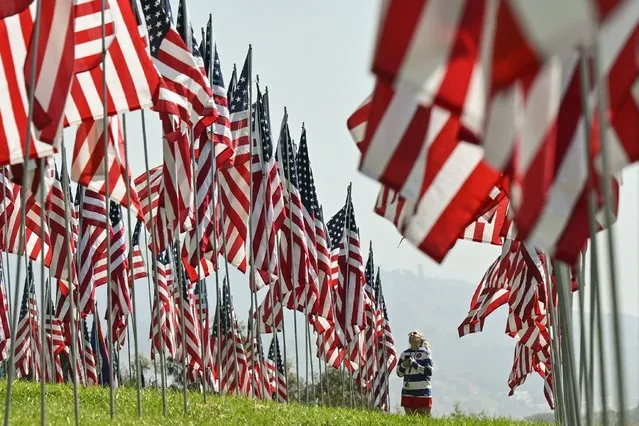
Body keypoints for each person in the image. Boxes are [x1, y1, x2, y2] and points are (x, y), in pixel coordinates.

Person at [397, 329, 433, 416]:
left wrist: (414, 364)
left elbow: (429, 371)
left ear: (420, 338)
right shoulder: (404, 354)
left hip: (422, 393)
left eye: (414, 333)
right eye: (410, 334)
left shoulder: (425, 353)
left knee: (424, 420)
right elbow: (399, 373)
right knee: (409, 420)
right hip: (408, 392)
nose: (411, 335)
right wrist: (404, 365)